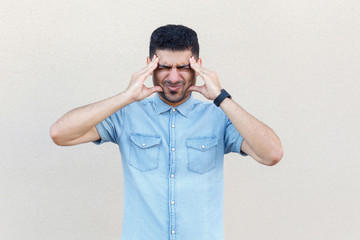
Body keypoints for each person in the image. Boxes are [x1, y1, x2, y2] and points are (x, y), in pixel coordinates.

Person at [50, 24, 283, 240]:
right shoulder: (126, 115)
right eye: (164, 67)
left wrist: (222, 97)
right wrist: (125, 97)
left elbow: (272, 153)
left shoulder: (219, 118)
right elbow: (60, 133)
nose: (173, 77)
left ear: (198, 66)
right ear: (150, 64)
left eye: (182, 67)